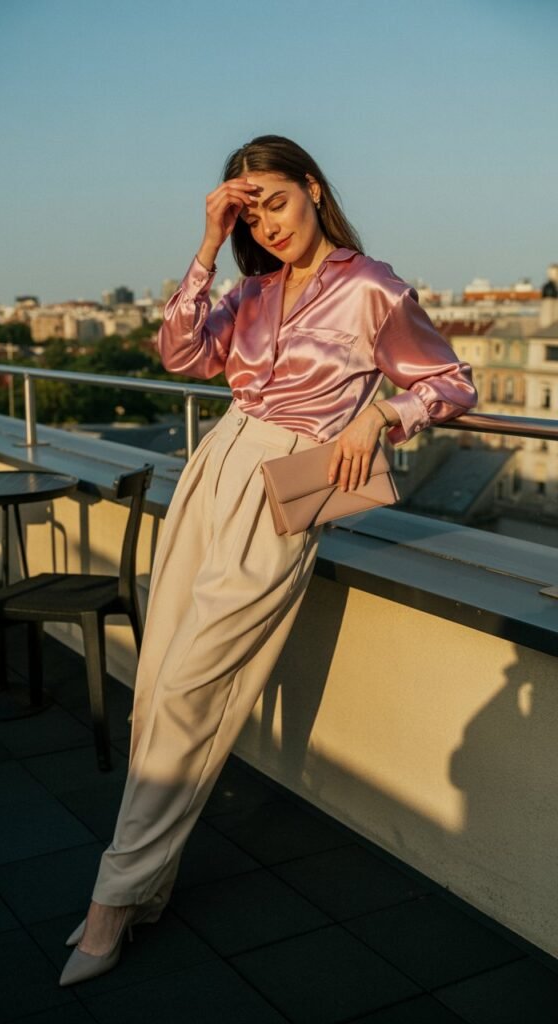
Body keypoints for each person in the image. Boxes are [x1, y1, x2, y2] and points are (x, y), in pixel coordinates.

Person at [60, 134, 477, 986]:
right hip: (214, 471)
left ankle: (111, 899)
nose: (271, 224)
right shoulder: (248, 290)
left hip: (287, 487)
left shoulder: (372, 285)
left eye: (276, 202)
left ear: (314, 190)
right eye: (252, 211)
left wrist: (382, 418)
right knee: (158, 685)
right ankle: (147, 884)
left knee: (188, 691)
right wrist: (210, 243)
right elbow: (179, 355)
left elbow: (452, 379)